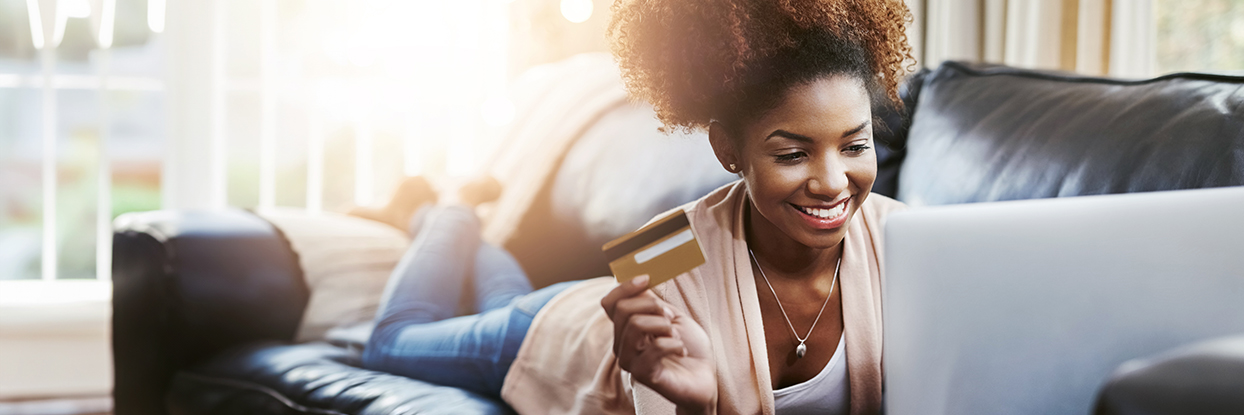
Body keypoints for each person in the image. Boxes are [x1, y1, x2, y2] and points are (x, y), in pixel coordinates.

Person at [358, 0, 914, 413]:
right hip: (554, 337)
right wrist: (695, 405)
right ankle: (448, 208)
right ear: (728, 151)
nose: (832, 182)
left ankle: (474, 235)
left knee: (505, 297)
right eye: (792, 153)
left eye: (855, 145)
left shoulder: (911, 243)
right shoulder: (663, 242)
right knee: (392, 343)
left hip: (553, 302)